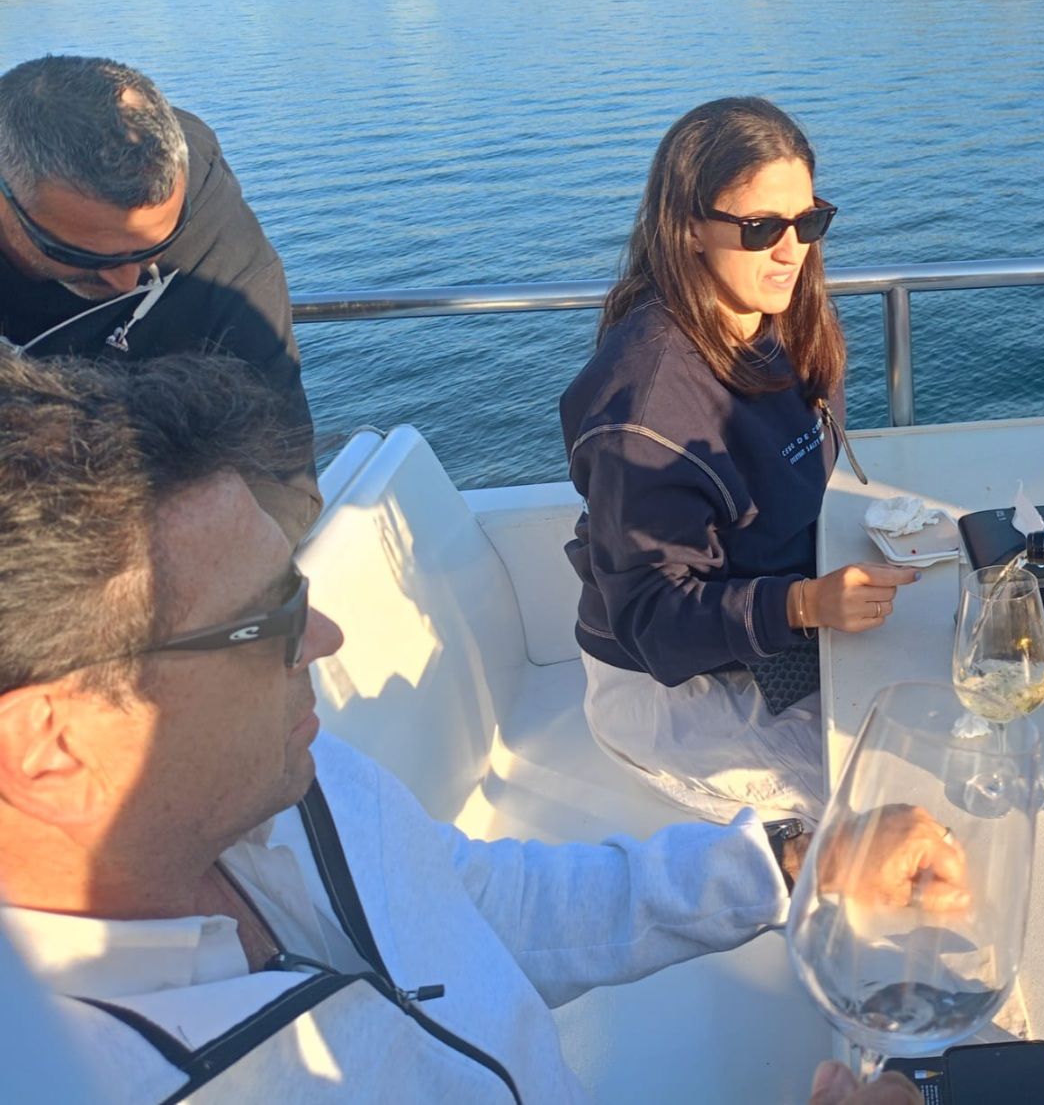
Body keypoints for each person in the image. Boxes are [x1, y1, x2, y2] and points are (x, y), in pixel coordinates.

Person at [0, 351, 960, 1102]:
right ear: (49, 744)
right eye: (271, 620)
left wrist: (791, 865)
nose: (325, 637)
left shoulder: (277, 784)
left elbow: (472, 905)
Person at [562, 98, 915, 827]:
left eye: (808, 221)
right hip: (680, 693)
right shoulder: (647, 407)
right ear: (689, 227)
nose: (792, 251)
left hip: (784, 636)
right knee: (900, 812)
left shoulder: (777, 318)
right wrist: (803, 605)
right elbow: (652, 621)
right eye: (761, 229)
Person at [0, 55, 319, 539]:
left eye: (153, 247)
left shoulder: (210, 216)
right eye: (79, 255)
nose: (128, 281)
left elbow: (278, 466)